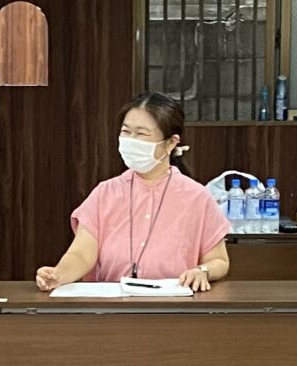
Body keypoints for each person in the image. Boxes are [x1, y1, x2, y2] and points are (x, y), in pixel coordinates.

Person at [35, 96, 231, 294]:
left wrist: (203, 271)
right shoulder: (105, 193)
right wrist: (58, 275)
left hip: (174, 308)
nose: (131, 141)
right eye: (126, 132)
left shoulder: (196, 196)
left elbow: (219, 261)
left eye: (141, 134)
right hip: (112, 309)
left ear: (171, 143)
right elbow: (81, 254)